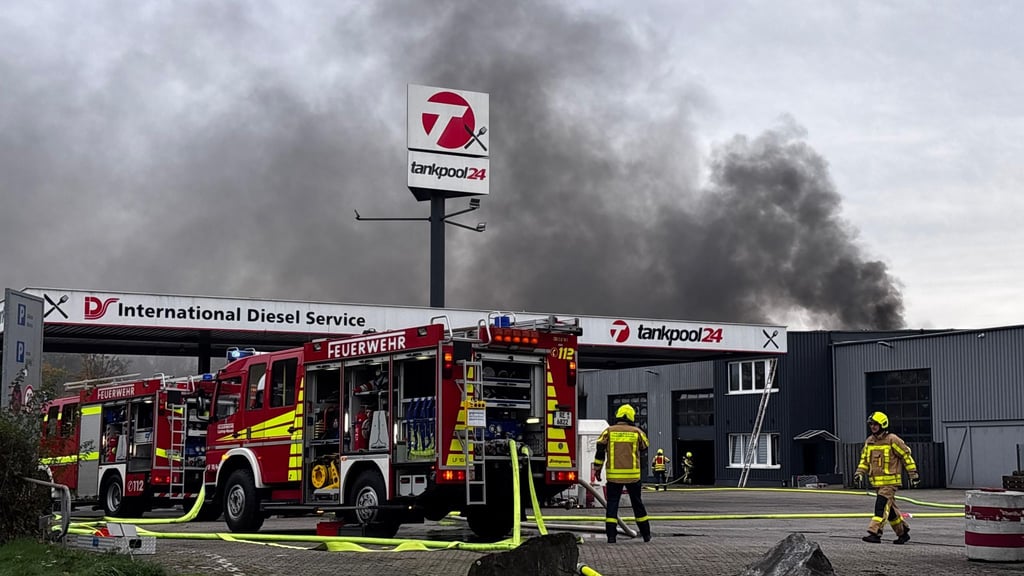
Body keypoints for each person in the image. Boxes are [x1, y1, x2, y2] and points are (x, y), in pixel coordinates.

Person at [854, 411, 920, 544]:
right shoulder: (870, 441)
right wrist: (859, 473)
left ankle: (875, 532)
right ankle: (903, 533)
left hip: (890, 483)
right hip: (877, 484)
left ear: (883, 425)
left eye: (875, 424)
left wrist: (913, 475)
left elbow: (906, 457)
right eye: (871, 424)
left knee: (881, 506)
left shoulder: (892, 440)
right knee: (890, 511)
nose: (873, 427)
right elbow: (864, 460)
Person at [592, 404, 652, 543]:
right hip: (633, 476)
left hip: (614, 476)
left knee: (612, 505)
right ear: (631, 416)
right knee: (637, 504)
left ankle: (611, 537)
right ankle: (646, 535)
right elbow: (645, 447)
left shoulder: (608, 432)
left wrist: (597, 468)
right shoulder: (637, 432)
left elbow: (600, 451)